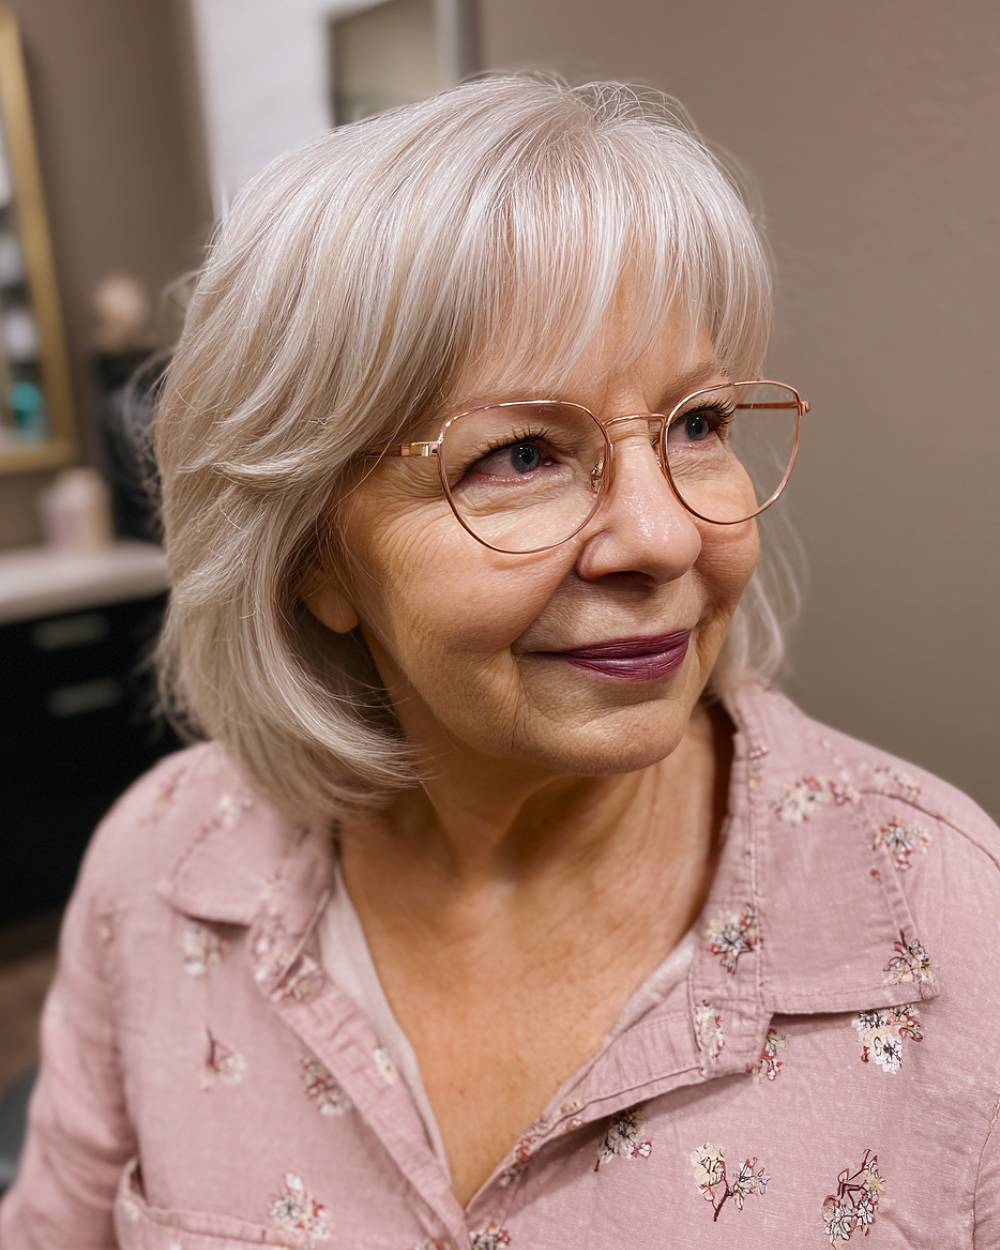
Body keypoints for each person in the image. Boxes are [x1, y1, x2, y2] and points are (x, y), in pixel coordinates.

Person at [2, 71, 997, 1250]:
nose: (664, 534)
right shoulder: (159, 870)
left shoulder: (943, 922)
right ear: (312, 558)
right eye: (521, 452)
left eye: (696, 424)